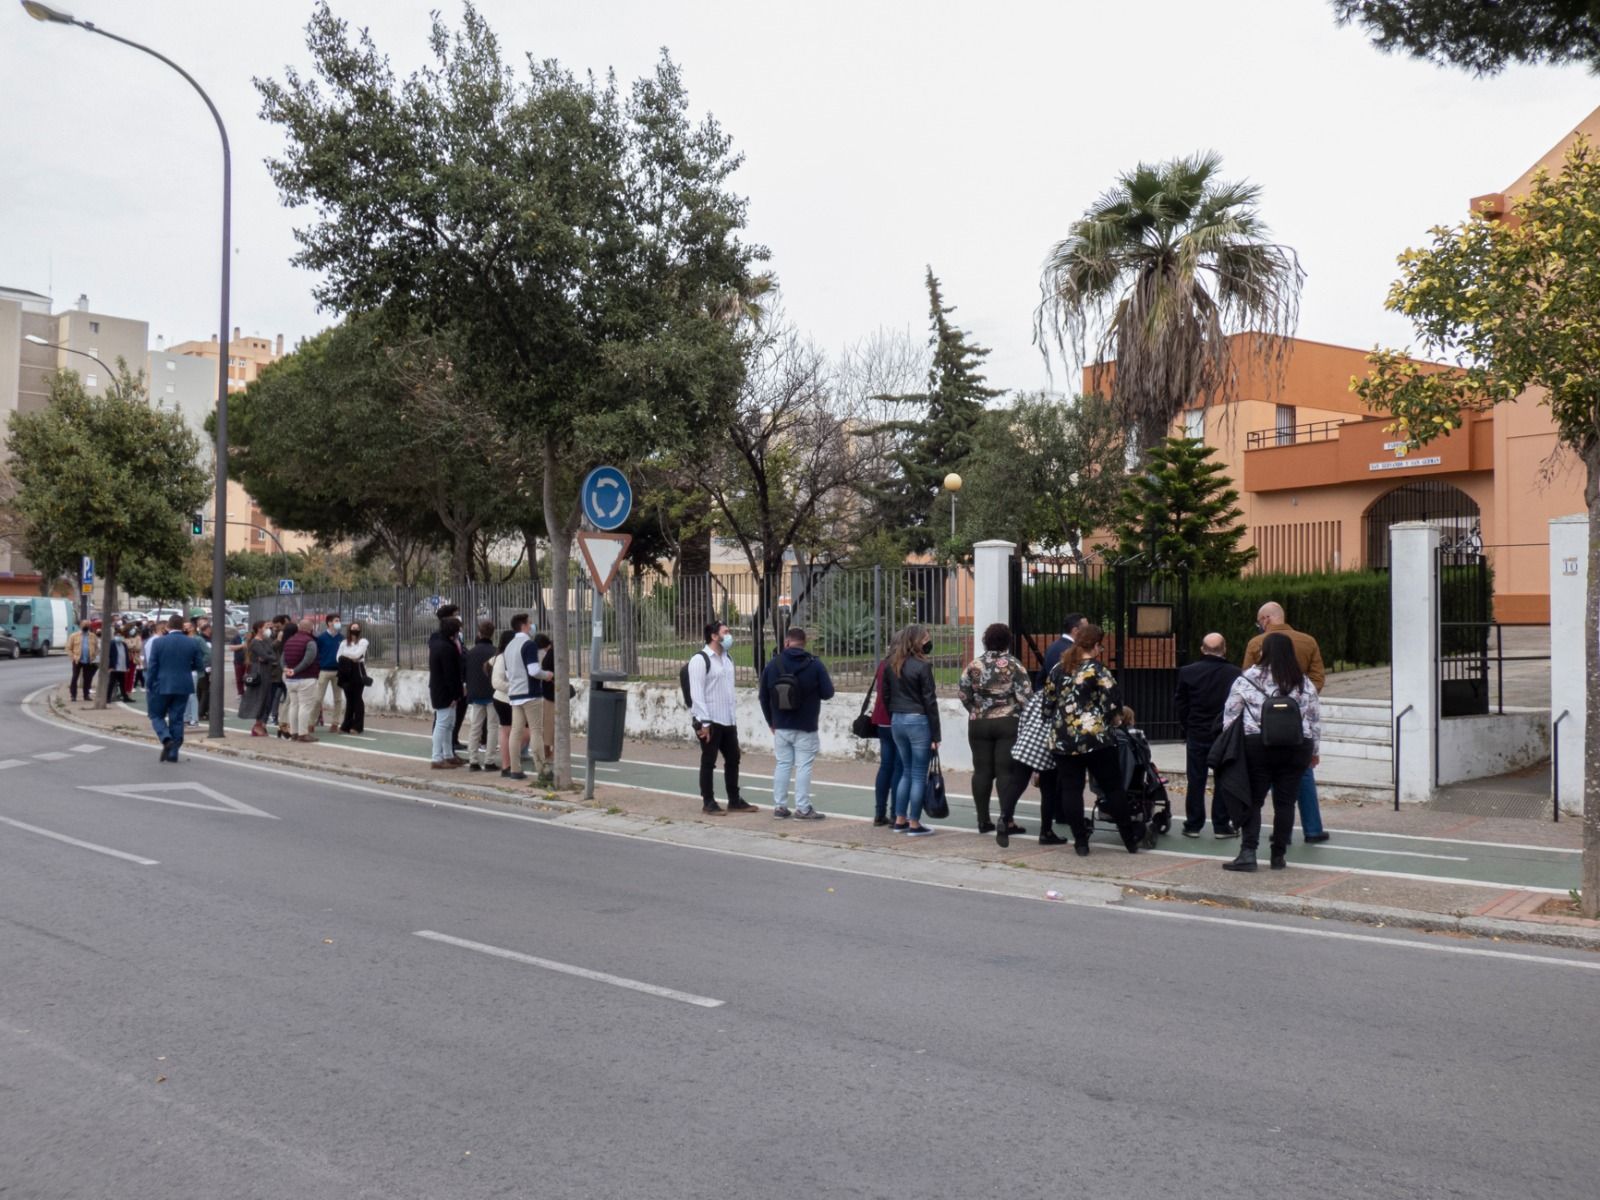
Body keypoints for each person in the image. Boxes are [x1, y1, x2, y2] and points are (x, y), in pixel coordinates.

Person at [1220, 631, 1322, 872]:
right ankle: (1278, 855)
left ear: (1264, 652)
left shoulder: (1247, 679)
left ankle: (1248, 852)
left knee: (1253, 800)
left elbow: (1230, 715)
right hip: (1297, 745)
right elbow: (1314, 718)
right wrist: (1315, 751)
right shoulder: (1303, 681)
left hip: (1257, 745)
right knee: (1286, 802)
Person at [1040, 623, 1140, 856]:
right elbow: (1113, 703)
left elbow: (1047, 704)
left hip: (1064, 738)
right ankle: (1129, 838)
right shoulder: (1098, 670)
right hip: (1096, 738)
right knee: (1112, 787)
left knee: (1071, 790)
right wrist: (1113, 720)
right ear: (1095, 646)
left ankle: (1081, 841)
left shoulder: (1058, 669)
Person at [1243, 601, 1331, 844]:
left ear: (1266, 619)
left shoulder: (1256, 643)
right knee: (1303, 774)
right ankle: (1313, 829)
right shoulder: (1308, 641)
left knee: (1273, 780)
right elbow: (1317, 677)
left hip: (1265, 724)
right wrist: (1298, 700)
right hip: (1298, 722)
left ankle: (1282, 832)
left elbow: (1246, 681)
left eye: (1259, 621)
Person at [958, 622, 1031, 837]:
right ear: (1008, 641)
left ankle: (983, 820)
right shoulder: (1014, 665)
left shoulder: (974, 665)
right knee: (1005, 772)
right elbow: (1026, 696)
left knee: (981, 771)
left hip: (979, 722)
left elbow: (963, 692)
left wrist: (974, 709)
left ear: (985, 641)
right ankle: (1006, 820)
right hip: (1007, 722)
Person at [758, 626, 836, 820]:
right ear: (804, 643)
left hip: (780, 724)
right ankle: (803, 808)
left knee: (783, 764)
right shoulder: (815, 665)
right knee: (803, 766)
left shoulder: (773, 664)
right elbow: (828, 693)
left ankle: (780, 807)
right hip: (806, 725)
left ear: (786, 642)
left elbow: (763, 696)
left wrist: (771, 721)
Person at [1174, 632, 1243, 838]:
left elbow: (1180, 703)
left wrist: (1187, 725)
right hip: (1223, 733)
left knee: (1196, 779)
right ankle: (1221, 824)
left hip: (1197, 730)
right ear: (1224, 649)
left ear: (1203, 649)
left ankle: (1193, 824)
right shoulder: (1235, 673)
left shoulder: (1187, 672)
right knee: (1222, 778)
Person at [687, 621, 756, 815]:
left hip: (728, 719)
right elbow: (697, 694)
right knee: (709, 761)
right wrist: (704, 722)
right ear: (714, 636)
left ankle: (734, 799)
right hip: (710, 720)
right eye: (726, 632)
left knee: (733, 758)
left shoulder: (727, 658)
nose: (729, 635)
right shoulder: (700, 660)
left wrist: (733, 717)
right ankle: (708, 801)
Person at [882, 623, 941, 836]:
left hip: (897, 719)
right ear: (917, 641)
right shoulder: (922, 666)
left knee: (906, 771)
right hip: (918, 720)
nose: (928, 642)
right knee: (918, 774)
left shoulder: (891, 664)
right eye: (925, 638)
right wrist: (936, 734)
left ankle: (900, 819)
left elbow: (885, 695)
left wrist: (894, 715)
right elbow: (930, 701)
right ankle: (914, 823)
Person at [144, 620, 207, 763]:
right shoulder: (192, 642)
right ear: (182, 627)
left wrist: (149, 684)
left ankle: (166, 738)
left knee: (156, 715)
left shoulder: (158, 642)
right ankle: (173, 753)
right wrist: (185, 668)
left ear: (168, 626)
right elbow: (199, 665)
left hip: (161, 684)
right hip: (183, 684)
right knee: (177, 718)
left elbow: (152, 666)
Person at [501, 614, 549, 782]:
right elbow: (534, 670)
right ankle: (542, 769)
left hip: (515, 694)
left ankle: (515, 769)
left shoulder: (509, 646)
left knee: (516, 731)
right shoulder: (529, 644)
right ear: (523, 625)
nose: (531, 626)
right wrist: (547, 675)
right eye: (529, 623)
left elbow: (507, 673)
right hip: (531, 693)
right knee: (536, 731)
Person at [462, 619, 500, 772]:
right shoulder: (496, 652)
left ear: (479, 633)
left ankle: (473, 760)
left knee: (475, 727)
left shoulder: (470, 653)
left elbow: (466, 674)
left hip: (476, 693)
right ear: (493, 634)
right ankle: (489, 761)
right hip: (493, 693)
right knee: (492, 727)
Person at [427, 613, 465, 768]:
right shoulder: (447, 648)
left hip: (440, 689)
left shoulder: (438, 644)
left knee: (449, 724)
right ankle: (437, 758)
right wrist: (456, 694)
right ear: (453, 632)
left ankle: (448, 754)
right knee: (443, 724)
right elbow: (450, 674)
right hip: (445, 691)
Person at [869, 655, 902, 828]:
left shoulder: (883, 663)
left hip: (881, 718)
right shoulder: (902, 664)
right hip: (897, 717)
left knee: (885, 766)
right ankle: (896, 813)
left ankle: (879, 813)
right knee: (899, 767)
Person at [281, 618, 322, 742]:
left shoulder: (289, 641)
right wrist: (296, 670)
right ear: (311, 629)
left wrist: (286, 669)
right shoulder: (310, 642)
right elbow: (308, 660)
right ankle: (303, 733)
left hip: (290, 680)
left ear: (299, 628)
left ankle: (293, 732)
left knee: (294, 705)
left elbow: (283, 658)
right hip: (306, 678)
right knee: (305, 706)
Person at [437, 604, 470, 755]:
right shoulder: (440, 639)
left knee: (456, 716)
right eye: (455, 615)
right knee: (443, 720)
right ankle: (441, 752)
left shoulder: (456, 638)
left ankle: (452, 742)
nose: (458, 617)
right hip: (449, 684)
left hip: (460, 680)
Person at [239, 620, 276, 737]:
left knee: (267, 698)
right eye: (266, 627)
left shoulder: (266, 640)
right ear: (259, 629)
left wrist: (268, 657)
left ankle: (261, 724)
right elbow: (266, 655)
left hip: (267, 672)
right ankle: (257, 725)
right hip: (259, 672)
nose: (268, 629)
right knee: (260, 698)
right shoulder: (255, 642)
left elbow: (273, 655)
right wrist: (268, 657)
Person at [1034, 612, 1086, 690]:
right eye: (1087, 629)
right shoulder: (1072, 650)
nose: (1089, 632)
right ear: (1075, 630)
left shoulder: (1053, 646)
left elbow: (1042, 677)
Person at [336, 619, 370, 735]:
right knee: (349, 698)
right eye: (353, 628)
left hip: (357, 671)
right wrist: (350, 658)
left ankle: (358, 726)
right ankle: (346, 725)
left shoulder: (363, 642)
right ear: (349, 629)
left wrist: (346, 656)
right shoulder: (343, 642)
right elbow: (338, 657)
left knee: (357, 698)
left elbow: (357, 655)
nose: (355, 630)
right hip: (345, 671)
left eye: (357, 628)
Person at [490, 630, 516, 778]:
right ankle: (506, 765)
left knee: (516, 732)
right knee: (507, 731)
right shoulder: (501, 657)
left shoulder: (512, 656)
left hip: (513, 699)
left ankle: (511, 761)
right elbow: (496, 682)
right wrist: (514, 688)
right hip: (503, 699)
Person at [533, 632, 558, 785]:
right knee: (550, 723)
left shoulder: (549, 655)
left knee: (549, 724)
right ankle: (549, 750)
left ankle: (550, 751)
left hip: (550, 694)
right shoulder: (554, 651)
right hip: (553, 693)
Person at [312, 612, 344, 731]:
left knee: (338, 699)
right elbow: (316, 654)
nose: (338, 623)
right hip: (324, 671)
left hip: (338, 672)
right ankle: (311, 722)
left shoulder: (341, 638)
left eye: (339, 621)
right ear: (329, 623)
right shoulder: (321, 638)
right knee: (318, 698)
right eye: (336, 621)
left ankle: (335, 723)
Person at [67, 620, 99, 702]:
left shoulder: (93, 636)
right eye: (84, 625)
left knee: (87, 678)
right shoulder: (74, 636)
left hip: (88, 660)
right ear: (80, 625)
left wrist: (94, 656)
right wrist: (73, 657)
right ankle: (73, 695)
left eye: (87, 625)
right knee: (75, 677)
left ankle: (86, 695)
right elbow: (68, 648)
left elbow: (96, 648)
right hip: (77, 660)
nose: (86, 626)